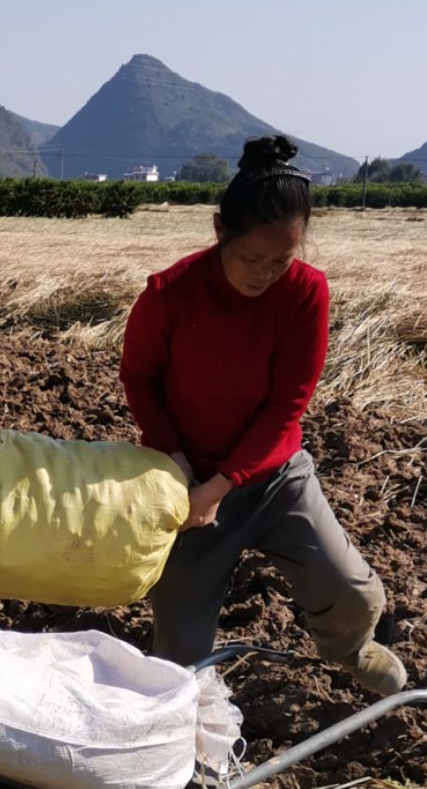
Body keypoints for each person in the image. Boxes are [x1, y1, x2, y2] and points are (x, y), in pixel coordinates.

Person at [119, 135, 406, 695]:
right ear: (219, 231)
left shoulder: (306, 294)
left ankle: (351, 648)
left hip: (274, 477)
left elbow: (286, 408)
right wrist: (180, 468)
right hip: (189, 480)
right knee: (178, 654)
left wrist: (226, 484)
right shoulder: (170, 293)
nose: (265, 273)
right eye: (252, 258)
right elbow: (140, 378)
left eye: (281, 260)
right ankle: (183, 721)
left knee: (355, 593)